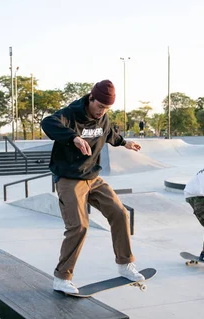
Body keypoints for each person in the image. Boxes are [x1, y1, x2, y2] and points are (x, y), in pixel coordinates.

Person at [40, 79, 144, 294]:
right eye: (99, 106)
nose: (101, 112)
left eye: (106, 108)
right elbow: (47, 123)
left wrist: (125, 143)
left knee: (120, 213)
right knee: (79, 226)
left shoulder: (103, 118)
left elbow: (109, 135)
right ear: (90, 98)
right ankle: (62, 277)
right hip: (69, 179)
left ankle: (124, 264)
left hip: (93, 178)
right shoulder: (70, 114)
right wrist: (74, 138)